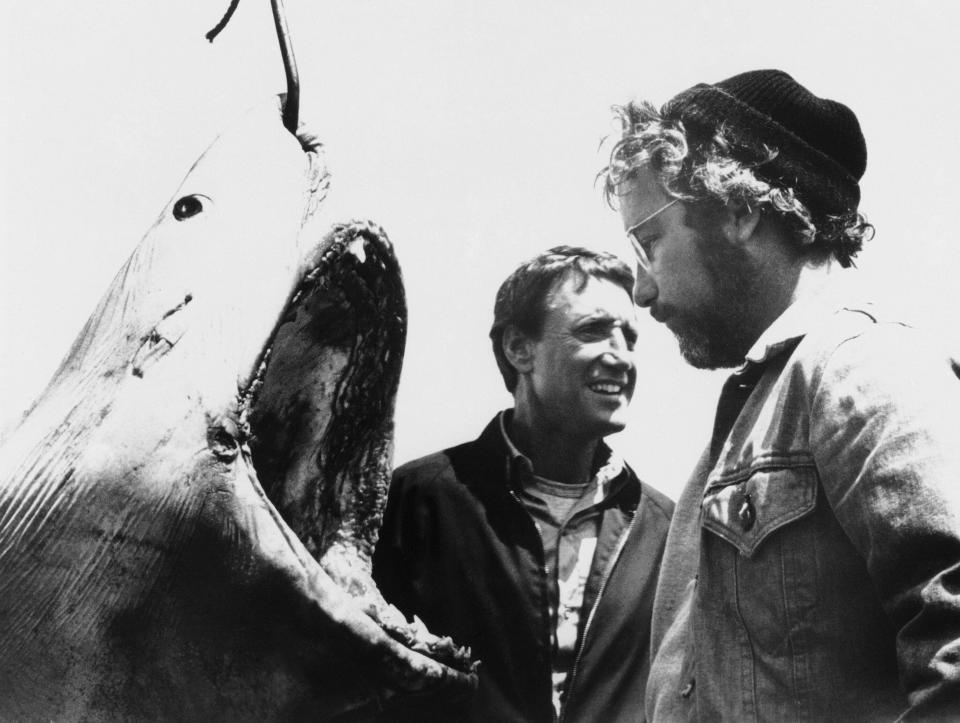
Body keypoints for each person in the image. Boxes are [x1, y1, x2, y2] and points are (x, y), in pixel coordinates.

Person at [602, 69, 960, 720]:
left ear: (737, 207)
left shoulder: (862, 366)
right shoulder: (747, 420)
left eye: (649, 242)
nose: (642, 291)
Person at [373, 246, 674, 722]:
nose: (621, 358)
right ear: (519, 348)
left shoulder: (667, 528)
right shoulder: (418, 500)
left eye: (630, 338)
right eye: (594, 331)